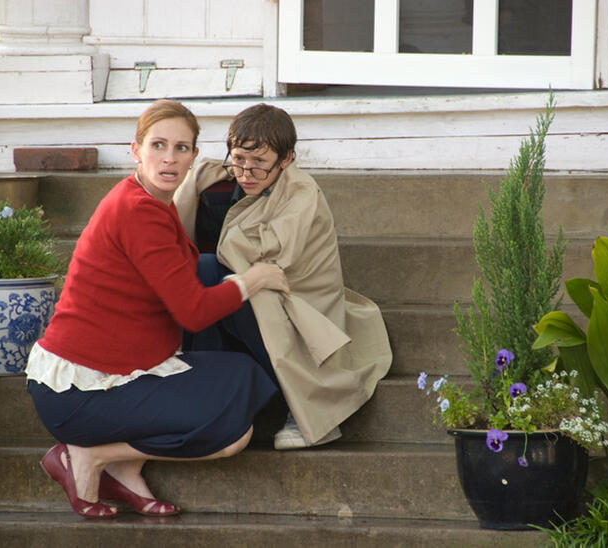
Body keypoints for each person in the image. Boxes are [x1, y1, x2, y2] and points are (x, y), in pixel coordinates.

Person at [25, 99, 288, 519]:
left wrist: (187, 192)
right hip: (81, 389)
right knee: (232, 433)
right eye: (158, 145)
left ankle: (125, 470)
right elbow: (194, 312)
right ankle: (85, 457)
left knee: (240, 378)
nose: (169, 158)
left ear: (194, 156)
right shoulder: (136, 210)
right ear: (135, 150)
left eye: (182, 148)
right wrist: (252, 279)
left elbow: (179, 264)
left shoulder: (145, 197)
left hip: (120, 370)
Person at [173, 103, 392, 450]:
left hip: (300, 307)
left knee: (235, 284)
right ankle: (208, 398)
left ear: (286, 159)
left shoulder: (302, 194)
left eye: (259, 164)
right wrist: (189, 188)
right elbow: (178, 251)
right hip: (255, 296)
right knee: (201, 272)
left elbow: (271, 261)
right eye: (238, 160)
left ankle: (303, 405)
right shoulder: (223, 185)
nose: (246, 174)